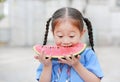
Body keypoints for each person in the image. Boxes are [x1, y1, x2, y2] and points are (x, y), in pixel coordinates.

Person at [34, 7, 103, 82]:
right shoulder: (48, 58)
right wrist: (47, 66)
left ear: (81, 33)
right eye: (60, 36)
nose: (66, 41)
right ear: (53, 33)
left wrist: (77, 65)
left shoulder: (88, 55)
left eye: (71, 36)